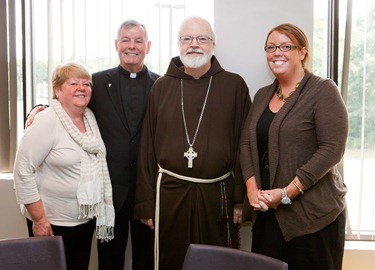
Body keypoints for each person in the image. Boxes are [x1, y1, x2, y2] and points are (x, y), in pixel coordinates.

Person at [24, 20, 158, 269]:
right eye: (126, 40)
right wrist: (37, 108)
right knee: (109, 261)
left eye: (138, 41)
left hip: (146, 193)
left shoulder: (161, 86)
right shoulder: (95, 82)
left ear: (148, 46)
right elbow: (67, 99)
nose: (132, 46)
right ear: (116, 45)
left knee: (147, 260)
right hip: (108, 195)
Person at [134, 16, 251, 270]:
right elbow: (147, 149)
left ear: (213, 44)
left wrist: (240, 198)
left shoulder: (234, 86)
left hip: (217, 194)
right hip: (169, 194)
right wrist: (145, 203)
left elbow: (246, 145)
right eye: (187, 39)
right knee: (171, 261)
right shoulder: (161, 87)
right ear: (178, 44)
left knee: (216, 263)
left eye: (201, 39)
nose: (194, 44)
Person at [239, 23, 348, 270]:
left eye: (286, 46)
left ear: (302, 52)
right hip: (268, 214)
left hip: (313, 219)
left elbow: (332, 149)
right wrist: (252, 190)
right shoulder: (262, 95)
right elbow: (246, 142)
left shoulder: (323, 90)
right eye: (271, 47)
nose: (277, 52)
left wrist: (287, 193)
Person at [13, 62, 115, 270]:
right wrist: (40, 220)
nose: (82, 88)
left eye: (87, 84)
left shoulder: (90, 118)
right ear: (57, 90)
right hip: (52, 222)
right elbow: (22, 170)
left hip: (84, 221)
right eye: (74, 83)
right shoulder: (46, 121)